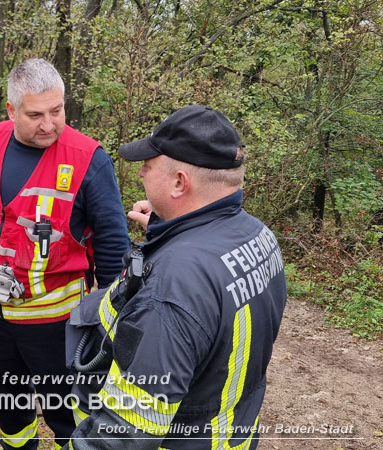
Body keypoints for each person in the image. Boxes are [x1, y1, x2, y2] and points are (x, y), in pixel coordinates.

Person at [0, 58, 131, 449]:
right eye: (35, 114)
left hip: (57, 324)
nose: (49, 124)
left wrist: (112, 315)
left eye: (57, 111)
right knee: (9, 407)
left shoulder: (88, 158)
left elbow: (112, 242)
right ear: (10, 110)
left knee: (66, 414)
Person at [65, 105, 288, 450]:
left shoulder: (171, 289)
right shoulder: (258, 235)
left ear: (179, 182)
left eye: (148, 166)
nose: (140, 174)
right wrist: (167, 228)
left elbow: (124, 433)